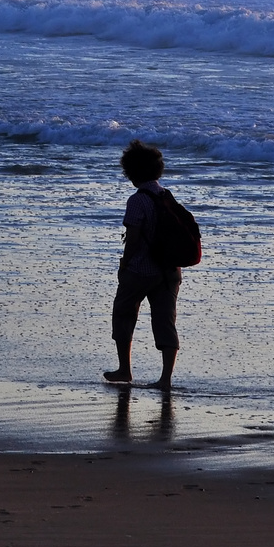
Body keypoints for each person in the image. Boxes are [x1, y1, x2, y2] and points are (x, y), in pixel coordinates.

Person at [103, 139, 181, 390]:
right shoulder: (166, 195)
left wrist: (125, 264)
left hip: (141, 270)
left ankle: (125, 370)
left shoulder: (137, 200)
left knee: (124, 313)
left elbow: (134, 238)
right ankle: (165, 379)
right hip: (169, 269)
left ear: (131, 171)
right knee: (165, 322)